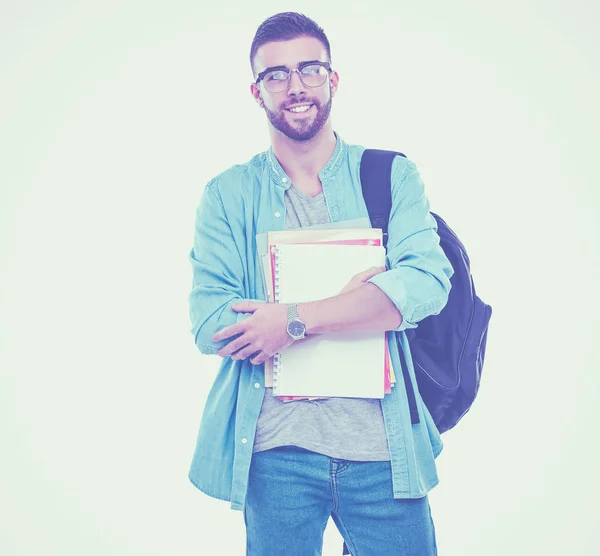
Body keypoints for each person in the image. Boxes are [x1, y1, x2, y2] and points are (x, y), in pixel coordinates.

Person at [187, 11, 453, 556]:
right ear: (256, 92)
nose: (295, 86)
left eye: (310, 69)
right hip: (277, 451)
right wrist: (367, 300)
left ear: (332, 79)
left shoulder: (390, 175)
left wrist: (291, 320)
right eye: (276, 75)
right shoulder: (227, 195)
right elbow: (211, 323)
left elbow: (426, 282)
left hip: (384, 450)